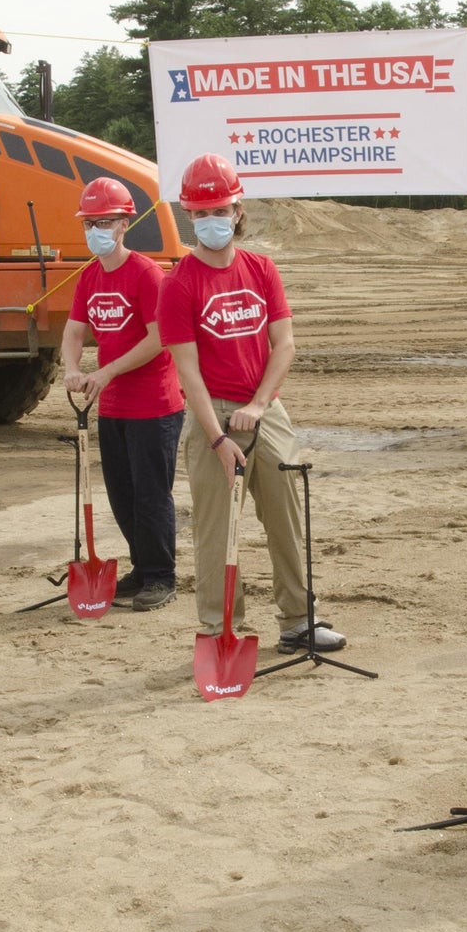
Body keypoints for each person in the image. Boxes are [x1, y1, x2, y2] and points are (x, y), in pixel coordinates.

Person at [157, 153, 344, 654]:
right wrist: (217, 435)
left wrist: (260, 405)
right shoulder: (178, 284)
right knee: (218, 530)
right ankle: (220, 630)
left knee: (287, 515)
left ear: (238, 211)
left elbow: (285, 345)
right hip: (211, 414)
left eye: (219, 210)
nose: (211, 221)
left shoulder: (261, 269)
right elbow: (187, 372)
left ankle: (299, 620)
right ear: (188, 215)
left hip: (266, 410)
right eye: (200, 213)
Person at [60, 177, 183, 611]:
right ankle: (142, 566)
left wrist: (106, 370)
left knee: (151, 494)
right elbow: (74, 331)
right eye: (90, 222)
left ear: (125, 223)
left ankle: (161, 576)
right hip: (111, 404)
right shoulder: (89, 277)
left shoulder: (147, 274)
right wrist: (72, 369)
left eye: (105, 221)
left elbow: (159, 338)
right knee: (122, 494)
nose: (96, 230)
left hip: (154, 404)